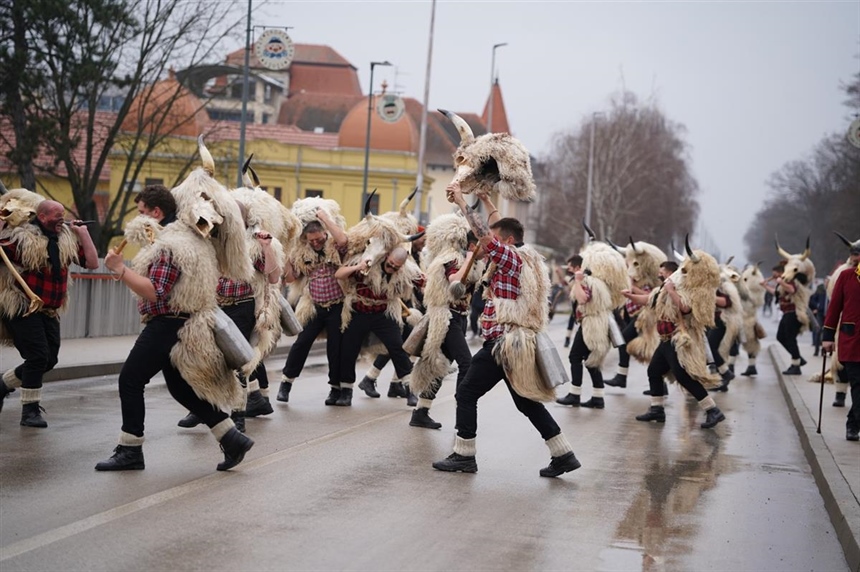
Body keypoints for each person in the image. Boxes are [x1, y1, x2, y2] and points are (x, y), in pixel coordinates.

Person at [95, 150, 254, 472]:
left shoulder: (170, 246)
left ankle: (130, 450)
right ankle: (231, 437)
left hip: (169, 323)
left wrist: (120, 270)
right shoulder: (194, 240)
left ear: (156, 212)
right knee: (180, 387)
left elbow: (155, 292)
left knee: (130, 380)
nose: (138, 217)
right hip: (186, 323)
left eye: (142, 211)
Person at [432, 182, 580, 478]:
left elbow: (487, 236)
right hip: (513, 343)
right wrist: (486, 200)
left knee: (466, 393)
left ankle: (464, 454)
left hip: (503, 343)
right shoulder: (526, 256)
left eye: (496, 241)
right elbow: (497, 228)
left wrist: (463, 202)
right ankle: (563, 454)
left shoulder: (511, 259)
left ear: (508, 241)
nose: (486, 249)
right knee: (526, 403)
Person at [0, 197, 99, 426]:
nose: (61, 219)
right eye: (56, 215)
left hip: (49, 310)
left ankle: (3, 384)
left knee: (49, 359)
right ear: (42, 217)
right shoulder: (22, 239)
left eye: (63, 214)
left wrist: (82, 233)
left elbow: (93, 262)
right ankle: (30, 412)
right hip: (22, 306)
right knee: (37, 356)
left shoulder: (65, 239)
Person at [634, 241, 726, 429]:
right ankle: (657, 409)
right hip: (666, 339)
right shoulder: (671, 286)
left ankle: (712, 410)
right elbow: (649, 300)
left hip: (679, 339)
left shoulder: (696, 291)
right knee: (654, 371)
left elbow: (685, 308)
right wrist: (628, 295)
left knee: (683, 377)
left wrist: (671, 291)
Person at [408, 213, 482, 429]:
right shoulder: (452, 258)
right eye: (476, 244)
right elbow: (454, 281)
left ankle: (421, 411)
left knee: (443, 365)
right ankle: (463, 412)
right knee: (467, 363)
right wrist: (470, 256)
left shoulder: (471, 261)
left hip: (460, 317)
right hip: (446, 317)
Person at [336, 245, 423, 407]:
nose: (391, 268)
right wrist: (358, 267)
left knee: (398, 348)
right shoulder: (369, 261)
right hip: (359, 310)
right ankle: (346, 391)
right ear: (386, 256)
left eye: (396, 267)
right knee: (348, 349)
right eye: (389, 264)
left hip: (383, 313)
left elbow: (424, 282)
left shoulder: (406, 271)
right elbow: (339, 274)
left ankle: (410, 390)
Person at [277, 205, 348, 404]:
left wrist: (325, 218)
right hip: (315, 306)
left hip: (337, 306)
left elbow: (343, 240)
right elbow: (291, 278)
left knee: (335, 349)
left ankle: (335, 389)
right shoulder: (302, 253)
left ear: (325, 234)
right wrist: (287, 256)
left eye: (319, 239)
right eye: (312, 240)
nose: (316, 243)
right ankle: (286, 383)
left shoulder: (334, 246)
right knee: (301, 343)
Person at [821, 256, 860, 441]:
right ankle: (855, 424)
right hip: (853, 341)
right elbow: (834, 308)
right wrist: (827, 337)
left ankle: (853, 423)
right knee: (858, 385)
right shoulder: (846, 276)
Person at [809, 283, 826, 356]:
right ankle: (816, 349)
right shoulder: (820, 290)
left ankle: (824, 350)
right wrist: (816, 306)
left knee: (825, 332)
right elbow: (812, 299)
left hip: (828, 313)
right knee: (818, 330)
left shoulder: (831, 290)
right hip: (820, 313)